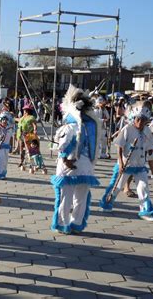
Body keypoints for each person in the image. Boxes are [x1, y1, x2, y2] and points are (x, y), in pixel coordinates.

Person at [51, 85, 101, 234]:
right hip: (86, 167)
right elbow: (96, 148)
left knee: (65, 197)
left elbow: (63, 147)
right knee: (81, 197)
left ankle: (62, 223)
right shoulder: (91, 127)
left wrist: (65, 160)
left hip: (70, 166)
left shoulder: (69, 127)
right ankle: (77, 223)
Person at [99, 102, 153, 222]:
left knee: (143, 187)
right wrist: (120, 163)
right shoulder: (127, 128)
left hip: (140, 165)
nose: (140, 123)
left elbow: (150, 151)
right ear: (134, 118)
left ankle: (145, 211)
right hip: (126, 164)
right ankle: (107, 203)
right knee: (117, 187)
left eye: (143, 120)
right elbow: (119, 146)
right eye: (138, 119)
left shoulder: (147, 131)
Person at [16, 104, 37, 169]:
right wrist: (12, 117)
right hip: (21, 135)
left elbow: (34, 125)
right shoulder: (23, 117)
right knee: (21, 150)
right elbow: (19, 120)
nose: (24, 111)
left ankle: (31, 163)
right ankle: (21, 161)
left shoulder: (31, 117)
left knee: (28, 149)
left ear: (27, 111)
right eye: (24, 110)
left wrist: (35, 130)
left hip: (28, 135)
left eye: (24, 110)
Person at [0, 111, 14, 179]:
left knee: (5, 161)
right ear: (1, 120)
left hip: (7, 147)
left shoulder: (9, 129)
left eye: (6, 120)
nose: (4, 121)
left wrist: (11, 147)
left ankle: (3, 174)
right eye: (3, 120)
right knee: (0, 160)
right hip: (0, 148)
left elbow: (11, 138)